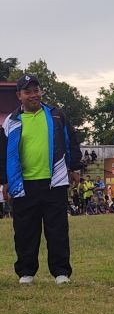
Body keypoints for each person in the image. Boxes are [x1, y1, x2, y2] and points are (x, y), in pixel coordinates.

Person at [0, 74, 82, 285]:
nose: (33, 95)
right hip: (23, 183)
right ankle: (26, 272)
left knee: (57, 229)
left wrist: (74, 167)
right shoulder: (11, 121)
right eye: (28, 91)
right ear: (19, 95)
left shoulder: (56, 115)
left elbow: (71, 140)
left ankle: (61, 272)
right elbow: (3, 153)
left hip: (54, 180)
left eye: (36, 90)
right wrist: (5, 180)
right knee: (25, 230)